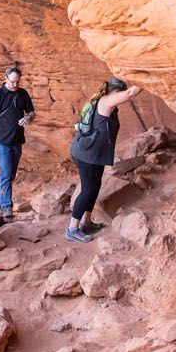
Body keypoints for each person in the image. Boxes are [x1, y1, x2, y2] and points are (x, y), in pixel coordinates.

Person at [67, 78, 142, 243]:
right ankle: (72, 229)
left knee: (95, 186)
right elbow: (130, 93)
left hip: (93, 153)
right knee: (87, 189)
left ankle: (86, 223)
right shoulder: (106, 100)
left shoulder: (106, 104)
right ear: (115, 92)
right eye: (119, 93)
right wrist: (146, 81)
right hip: (86, 154)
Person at [0, 65, 35, 220]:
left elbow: (32, 112)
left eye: (17, 82)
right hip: (2, 141)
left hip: (17, 141)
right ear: (5, 79)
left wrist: (28, 118)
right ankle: (7, 206)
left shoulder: (23, 94)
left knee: (10, 175)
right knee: (6, 174)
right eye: (12, 81)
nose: (15, 85)